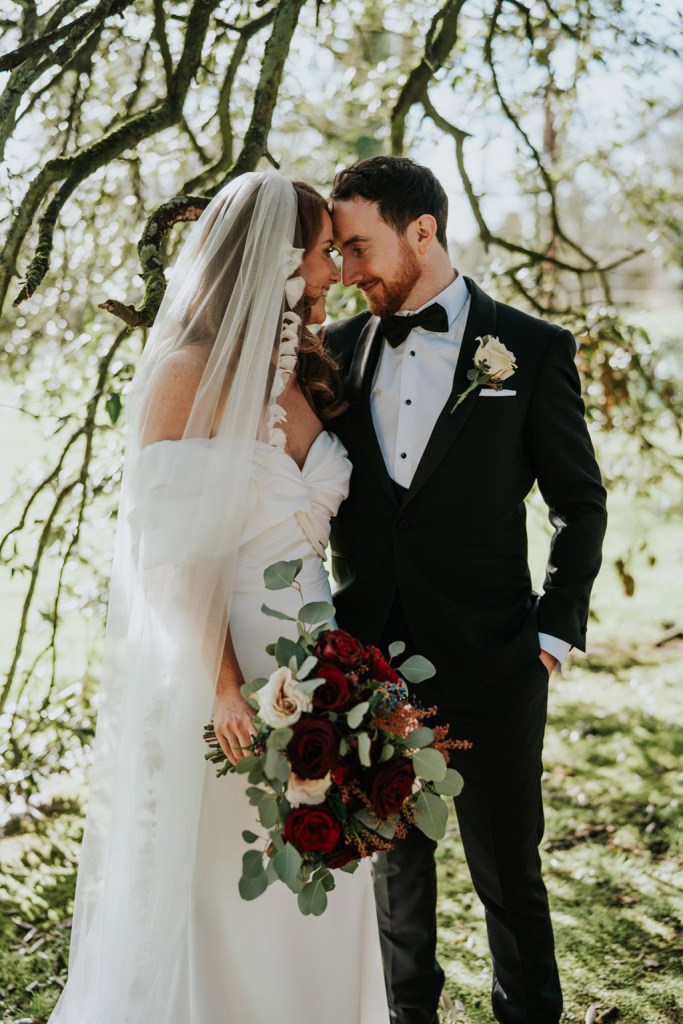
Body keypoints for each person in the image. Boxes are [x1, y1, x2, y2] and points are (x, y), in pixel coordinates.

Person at [48, 172, 389, 1024]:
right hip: (231, 677)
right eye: (320, 254)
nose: (334, 272)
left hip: (326, 674)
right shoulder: (186, 373)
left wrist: (350, 680)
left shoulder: (304, 369)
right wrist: (227, 685)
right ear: (275, 260)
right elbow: (170, 561)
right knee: (231, 891)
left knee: (322, 883)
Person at [325, 155, 608, 1024]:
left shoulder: (530, 348)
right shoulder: (333, 354)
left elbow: (579, 503)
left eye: (358, 247)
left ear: (423, 232)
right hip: (369, 661)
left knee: (506, 872)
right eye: (336, 252)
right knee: (395, 871)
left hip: (494, 660)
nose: (346, 270)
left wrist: (552, 633)